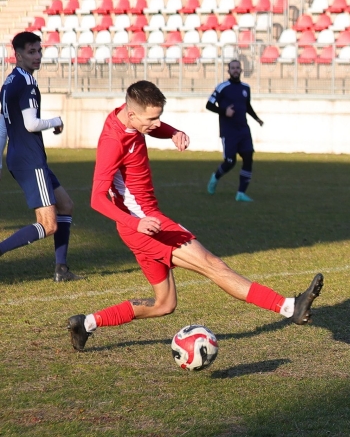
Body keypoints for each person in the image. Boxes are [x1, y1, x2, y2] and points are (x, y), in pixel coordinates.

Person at [66, 80, 323, 351]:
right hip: (145, 224)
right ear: (132, 115)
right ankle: (289, 306)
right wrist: (137, 222)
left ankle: (86, 323)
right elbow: (96, 198)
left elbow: (153, 125)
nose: (156, 123)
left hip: (140, 225)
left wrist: (172, 132)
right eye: (152, 119)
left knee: (164, 304)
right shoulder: (112, 141)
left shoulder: (127, 115)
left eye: (159, 117)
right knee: (213, 265)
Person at [0, 31, 81, 282]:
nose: (37, 56)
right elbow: (32, 124)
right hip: (29, 159)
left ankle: (61, 269)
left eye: (39, 51)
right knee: (48, 224)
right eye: (31, 52)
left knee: (65, 205)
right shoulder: (26, 83)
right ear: (18, 54)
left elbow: (3, 125)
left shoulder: (10, 82)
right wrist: (56, 121)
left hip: (23, 157)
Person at [206, 60, 263, 202]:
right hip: (229, 131)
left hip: (243, 130)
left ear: (241, 70)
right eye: (233, 68)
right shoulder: (222, 87)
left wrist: (257, 119)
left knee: (248, 159)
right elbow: (209, 105)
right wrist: (224, 111)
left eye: (238, 68)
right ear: (229, 71)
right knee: (230, 162)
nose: (236, 70)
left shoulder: (246, 88)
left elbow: (247, 106)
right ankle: (216, 177)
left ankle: (241, 193)